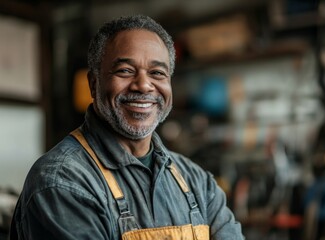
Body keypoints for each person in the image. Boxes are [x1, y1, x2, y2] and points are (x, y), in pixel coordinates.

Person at [10, 15, 244, 240]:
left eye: (157, 73)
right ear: (94, 84)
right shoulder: (62, 181)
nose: (143, 85)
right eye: (125, 71)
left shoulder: (197, 181)